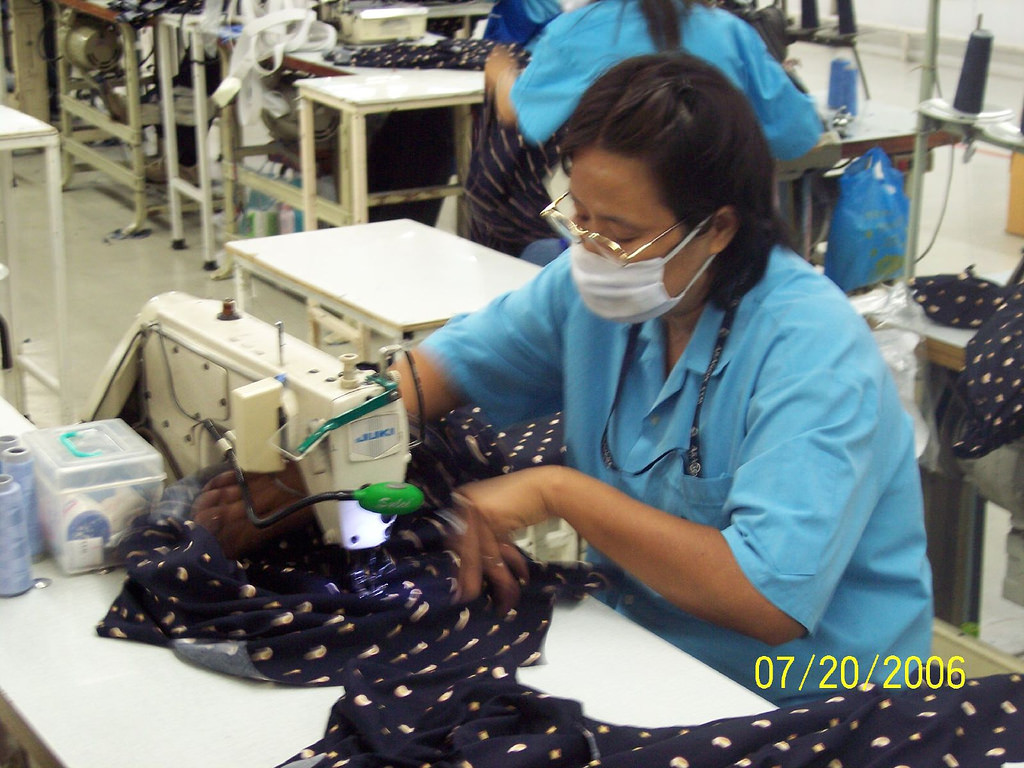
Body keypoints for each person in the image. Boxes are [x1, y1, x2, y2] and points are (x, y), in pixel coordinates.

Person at [397, 52, 933, 705]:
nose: (591, 250)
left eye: (621, 234)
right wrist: (341, 427)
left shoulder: (813, 349)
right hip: (647, 650)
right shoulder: (591, 286)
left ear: (718, 228)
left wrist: (559, 492)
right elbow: (444, 368)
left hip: (817, 692)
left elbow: (766, 598)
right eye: (580, 216)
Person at [468, 0, 823, 261]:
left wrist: (502, 75)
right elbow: (799, 136)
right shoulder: (730, 33)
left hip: (618, 242)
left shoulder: (575, 32)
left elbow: (527, 117)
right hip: (722, 239)